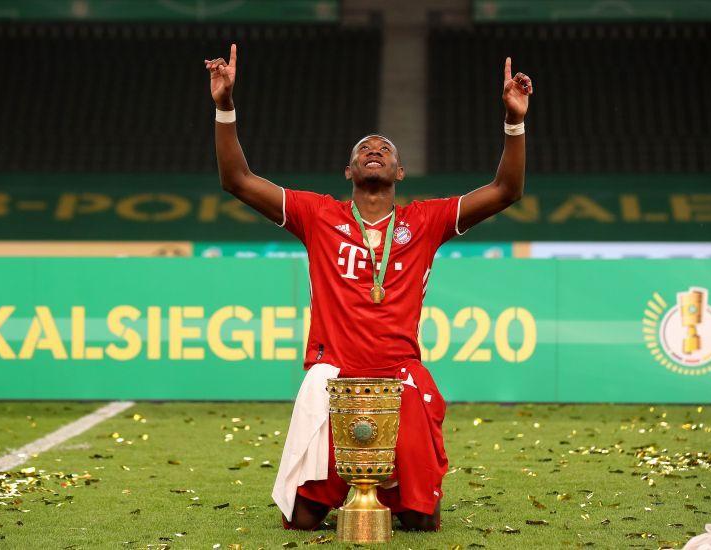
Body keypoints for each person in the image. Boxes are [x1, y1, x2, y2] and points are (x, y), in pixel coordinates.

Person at [204, 43, 532, 532]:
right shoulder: (318, 216)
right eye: (363, 149)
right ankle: (346, 488)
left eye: (385, 149)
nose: (374, 149)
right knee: (302, 519)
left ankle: (399, 489)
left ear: (399, 172)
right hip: (333, 378)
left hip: (401, 376)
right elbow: (237, 180)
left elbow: (507, 190)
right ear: (349, 172)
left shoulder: (426, 220)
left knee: (423, 521)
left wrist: (514, 122)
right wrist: (225, 106)